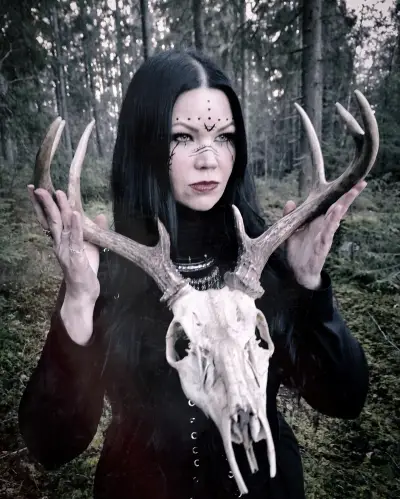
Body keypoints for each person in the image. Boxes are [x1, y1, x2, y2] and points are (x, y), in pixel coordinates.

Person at [19, 49, 369, 499]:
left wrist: (308, 283)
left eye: (224, 136)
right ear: (144, 144)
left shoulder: (266, 258)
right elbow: (50, 445)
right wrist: (79, 301)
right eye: (183, 137)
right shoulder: (104, 271)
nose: (209, 159)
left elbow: (345, 399)